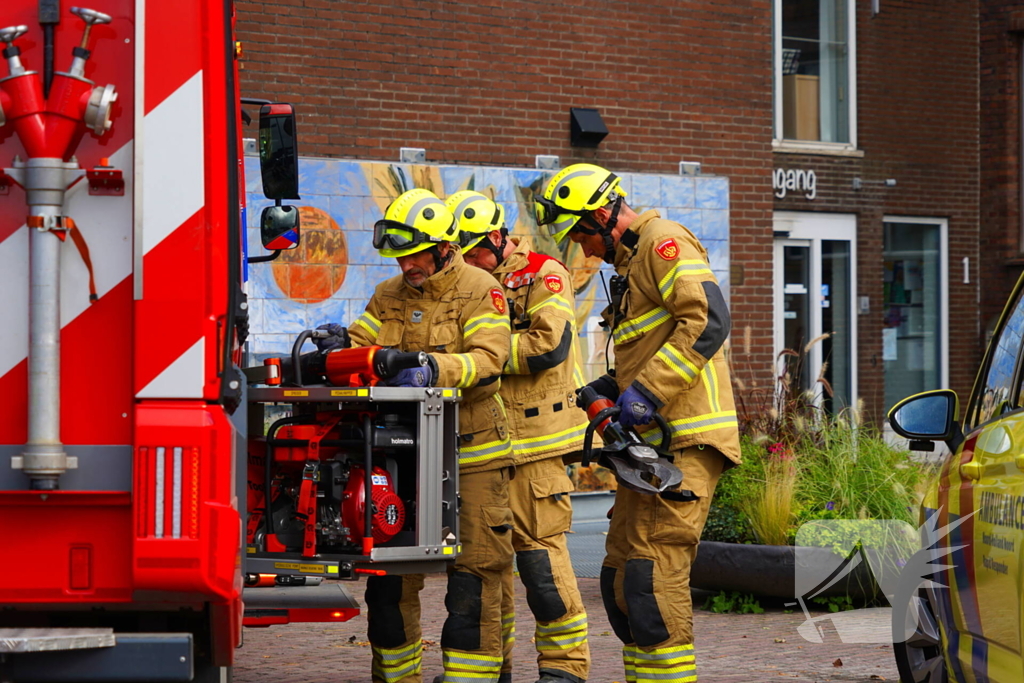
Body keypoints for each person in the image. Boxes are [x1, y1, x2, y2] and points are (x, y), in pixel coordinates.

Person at [534, 164, 742, 683]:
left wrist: (646, 393)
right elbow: (652, 344)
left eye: (582, 233)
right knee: (621, 579)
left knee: (651, 576)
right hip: (649, 450)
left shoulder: (662, 244)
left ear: (603, 214)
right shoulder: (630, 264)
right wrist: (610, 388)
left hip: (686, 440)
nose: (583, 251)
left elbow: (709, 319)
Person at [335, 188, 516, 683]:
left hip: (473, 453)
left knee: (474, 579)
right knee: (388, 582)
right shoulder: (388, 295)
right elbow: (358, 346)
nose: (406, 264)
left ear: (442, 246)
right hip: (405, 455)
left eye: (414, 252)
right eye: (398, 254)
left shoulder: (480, 287)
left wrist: (431, 369)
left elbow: (489, 360)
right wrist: (335, 351)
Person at [446, 191, 590, 683]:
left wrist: (483, 350)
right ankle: (492, 670)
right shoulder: (466, 284)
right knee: (487, 566)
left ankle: (565, 671)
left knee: (540, 564)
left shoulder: (544, 273)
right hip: (484, 446)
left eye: (472, 252)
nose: (466, 264)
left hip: (536, 442)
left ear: (495, 238)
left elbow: (550, 343)